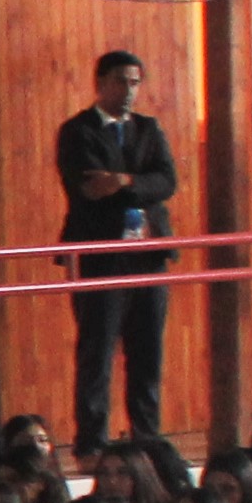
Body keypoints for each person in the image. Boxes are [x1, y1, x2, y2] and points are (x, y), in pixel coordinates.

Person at [59, 47, 178, 451]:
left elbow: (167, 181)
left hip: (148, 255)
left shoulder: (149, 129)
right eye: (121, 82)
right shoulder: (78, 131)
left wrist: (125, 181)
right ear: (100, 83)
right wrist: (137, 184)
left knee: (147, 352)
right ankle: (92, 442)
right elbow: (90, 189)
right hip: (102, 256)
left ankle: (147, 438)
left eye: (135, 83)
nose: (129, 91)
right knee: (98, 350)